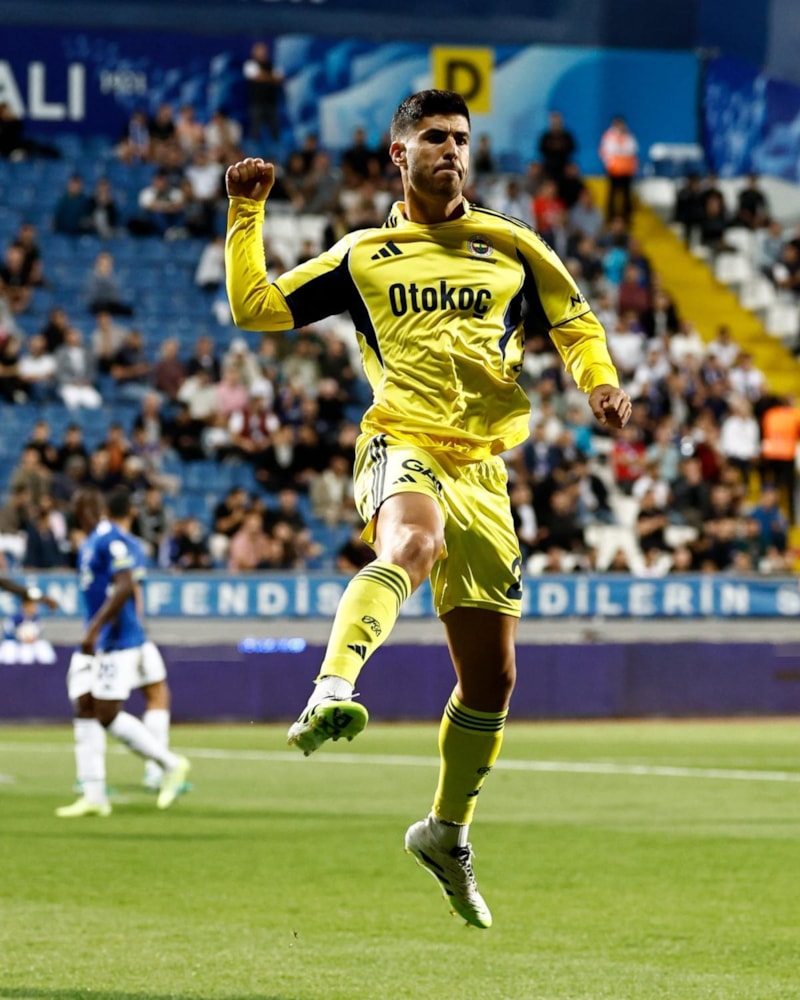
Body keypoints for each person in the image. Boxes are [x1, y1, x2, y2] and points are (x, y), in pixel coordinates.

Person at [224, 88, 631, 929]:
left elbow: (575, 320)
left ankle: (446, 833)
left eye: (462, 139)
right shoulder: (363, 255)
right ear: (398, 154)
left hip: (484, 469)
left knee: (492, 679)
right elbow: (255, 308)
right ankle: (331, 687)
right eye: (436, 137)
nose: (452, 150)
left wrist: (600, 383)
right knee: (411, 543)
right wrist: (245, 213)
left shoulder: (512, 243)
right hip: (401, 439)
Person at [56, 487, 190, 818]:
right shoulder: (89, 543)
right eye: (76, 506)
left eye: (85, 504)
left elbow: (127, 584)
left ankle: (169, 764)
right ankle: (94, 795)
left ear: (97, 506)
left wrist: (95, 628)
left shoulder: (111, 540)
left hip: (117, 640)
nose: (79, 511)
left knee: (106, 712)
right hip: (99, 641)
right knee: (84, 706)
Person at [598, 116, 638, 223]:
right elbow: (606, 152)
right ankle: (610, 218)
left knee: (626, 196)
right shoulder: (609, 136)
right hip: (614, 171)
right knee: (612, 195)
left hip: (626, 171)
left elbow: (632, 150)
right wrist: (610, 163)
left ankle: (627, 219)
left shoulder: (629, 136)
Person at [243, 42, 284, 145]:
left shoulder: (273, 64)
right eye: (260, 51)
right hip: (257, 103)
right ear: (254, 52)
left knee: (275, 131)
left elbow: (280, 79)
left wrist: (265, 77)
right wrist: (271, 78)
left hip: (271, 103)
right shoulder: (250, 64)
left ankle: (276, 151)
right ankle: (254, 153)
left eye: (264, 50)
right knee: (255, 130)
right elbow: (257, 77)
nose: (262, 53)